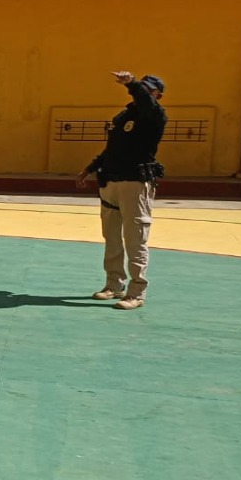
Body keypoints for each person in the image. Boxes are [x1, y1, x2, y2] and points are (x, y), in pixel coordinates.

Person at [77, 71, 167, 309]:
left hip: (135, 183)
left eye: (148, 90)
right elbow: (113, 148)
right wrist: (91, 168)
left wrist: (132, 84)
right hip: (111, 182)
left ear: (157, 95)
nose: (142, 93)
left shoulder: (155, 116)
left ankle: (136, 292)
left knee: (135, 239)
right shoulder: (125, 116)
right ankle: (114, 284)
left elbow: (147, 103)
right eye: (142, 88)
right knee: (112, 237)